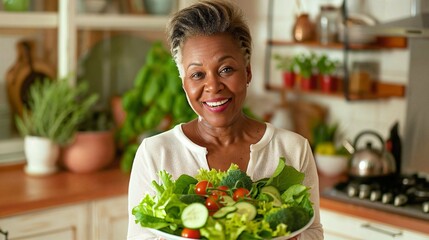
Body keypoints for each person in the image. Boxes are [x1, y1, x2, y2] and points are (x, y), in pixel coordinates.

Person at [127, 1, 323, 239]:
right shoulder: (155, 153)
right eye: (197, 74)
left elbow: (313, 231)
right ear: (184, 84)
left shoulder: (293, 149)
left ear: (248, 72)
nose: (213, 86)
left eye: (226, 69)